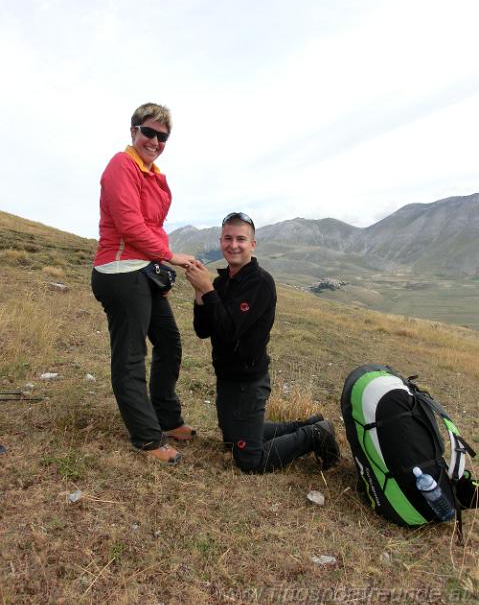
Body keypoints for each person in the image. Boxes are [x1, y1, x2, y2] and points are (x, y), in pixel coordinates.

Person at [185, 212, 340, 473]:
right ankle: (306, 423)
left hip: (248, 380)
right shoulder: (223, 282)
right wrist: (201, 293)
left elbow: (229, 331)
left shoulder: (261, 283)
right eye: (228, 238)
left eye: (241, 239)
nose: (233, 245)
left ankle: (315, 433)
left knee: (249, 460)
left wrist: (208, 290)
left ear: (252, 244)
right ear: (221, 241)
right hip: (227, 377)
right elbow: (202, 330)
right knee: (232, 441)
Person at [91, 102, 196, 465]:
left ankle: (166, 417)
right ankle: (147, 438)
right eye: (148, 132)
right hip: (119, 271)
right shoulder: (122, 165)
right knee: (131, 358)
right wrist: (171, 257)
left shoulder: (154, 174)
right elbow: (129, 225)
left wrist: (157, 271)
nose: (154, 140)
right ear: (134, 130)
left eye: (162, 136)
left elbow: (152, 227)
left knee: (169, 341)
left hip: (142, 271)